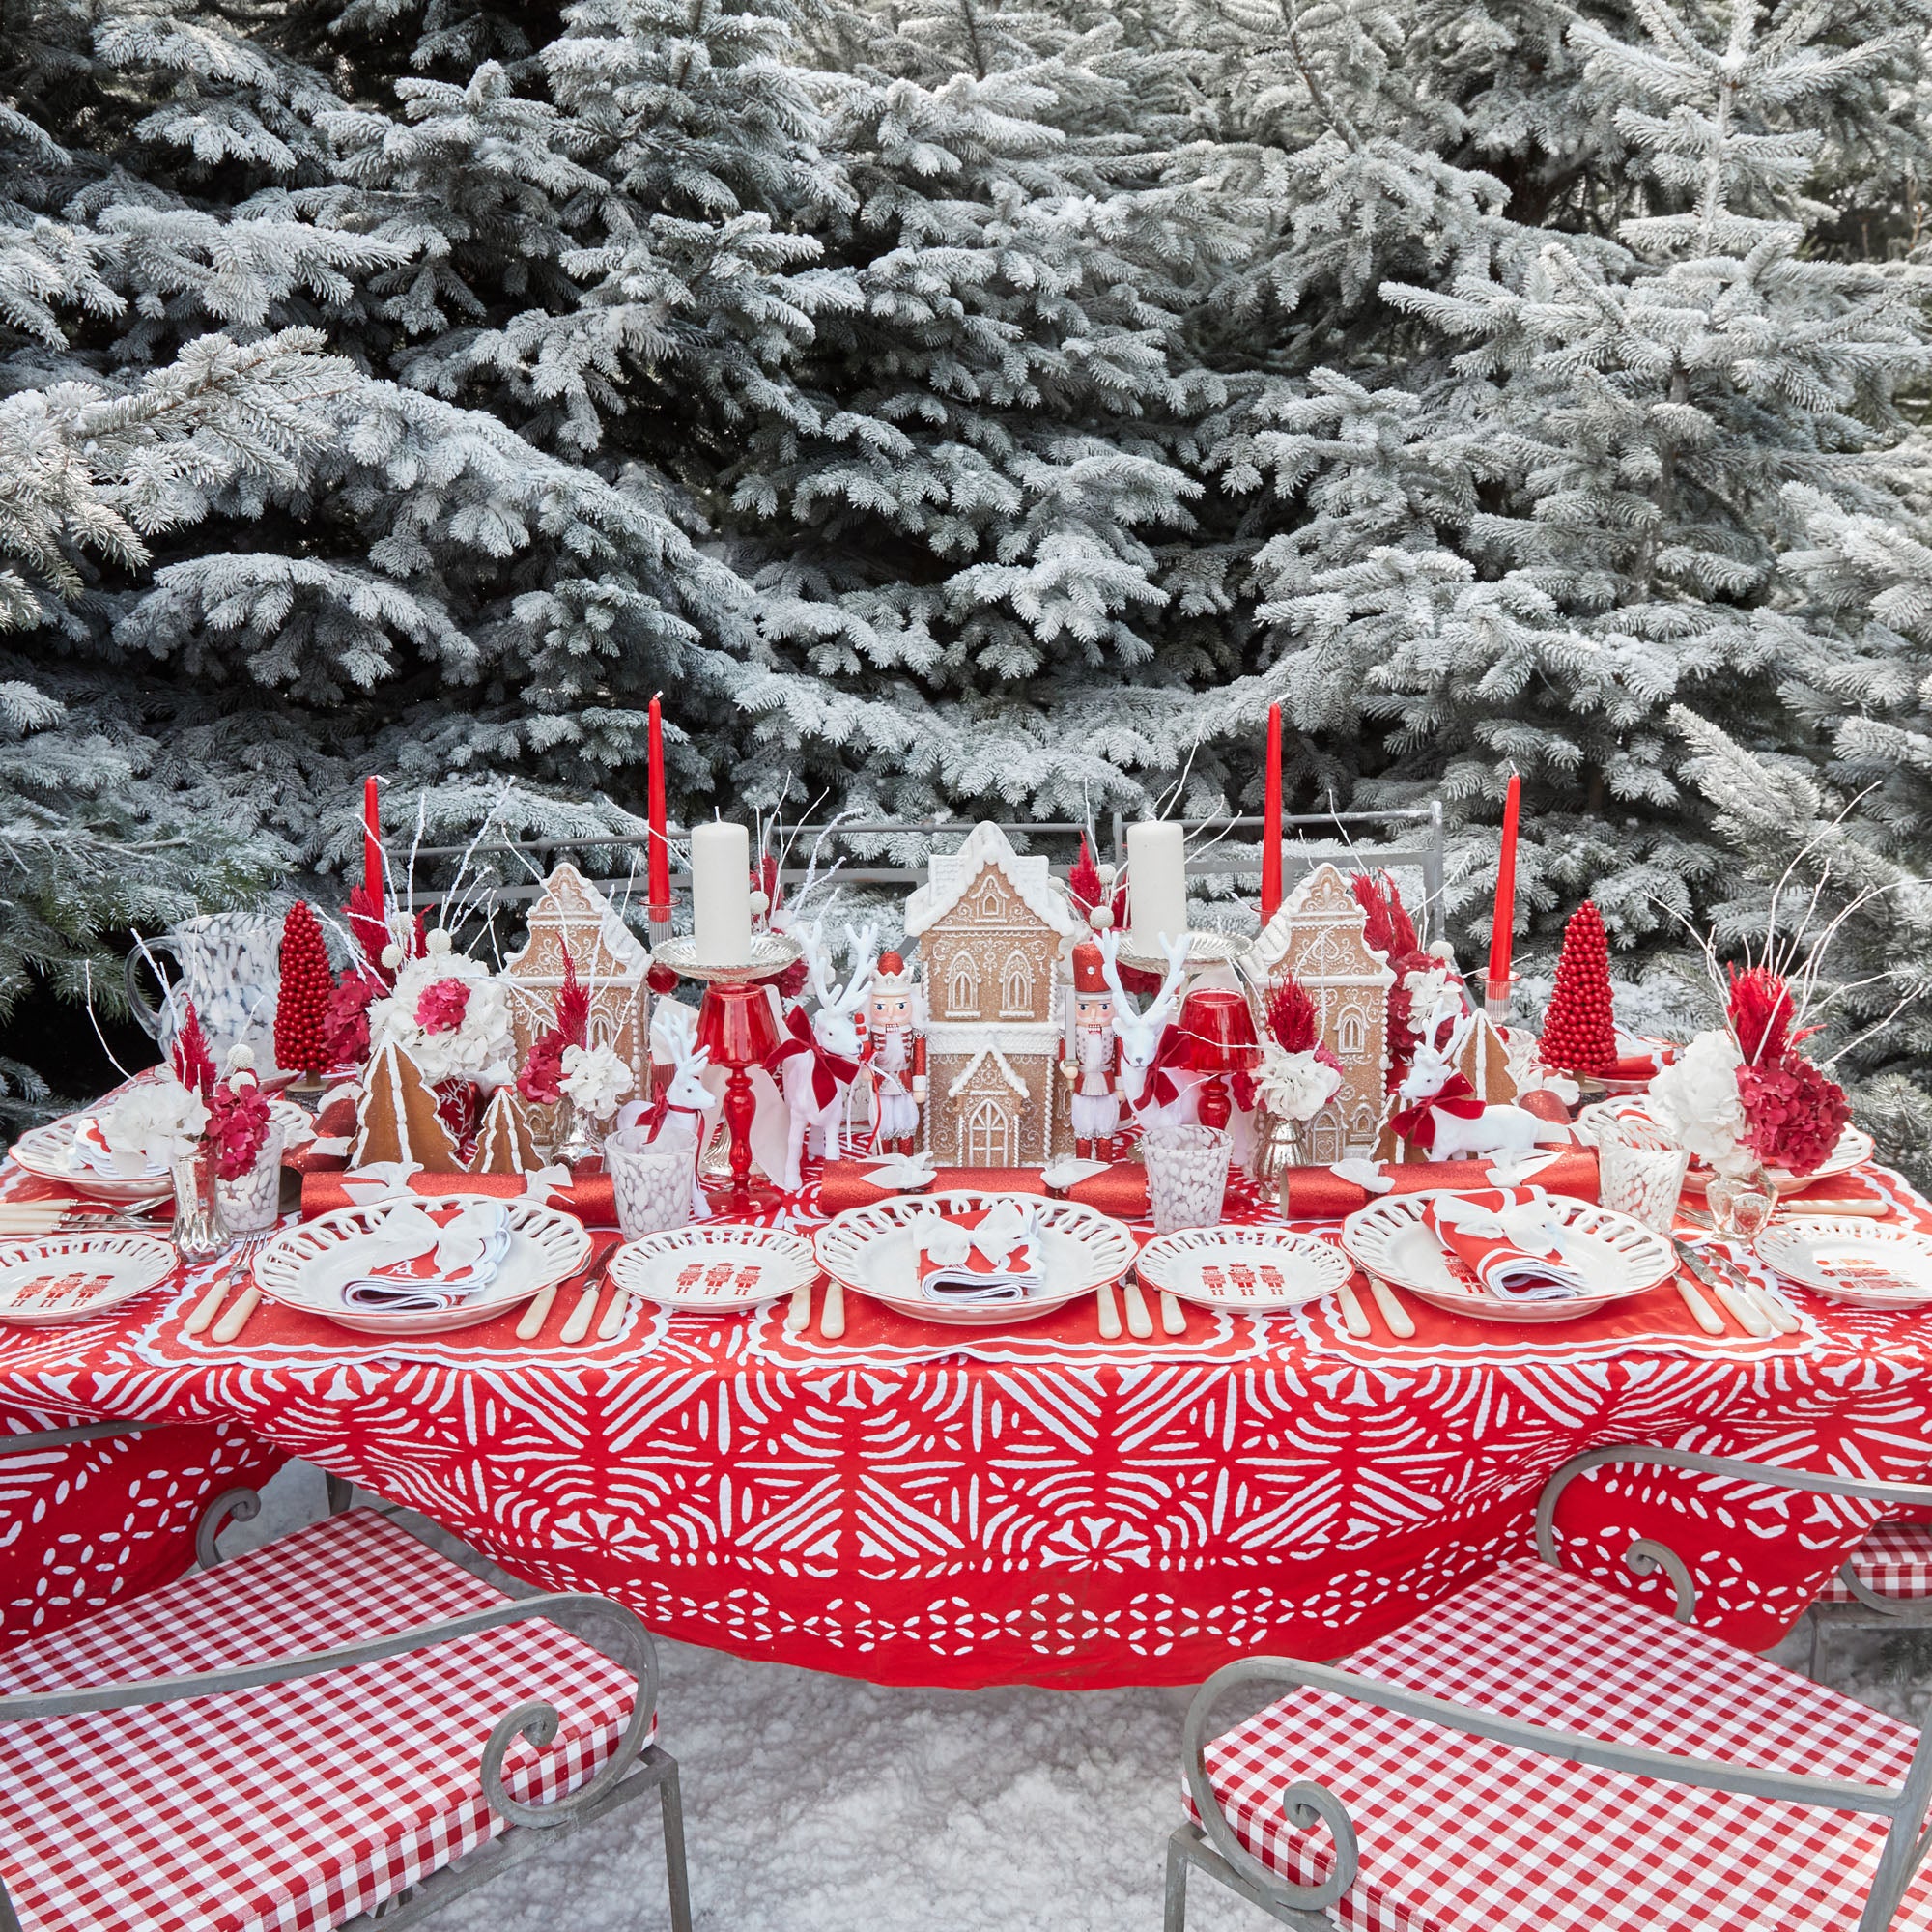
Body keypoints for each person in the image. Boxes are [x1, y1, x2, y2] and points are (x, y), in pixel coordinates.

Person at [1062, 939, 1121, 1160]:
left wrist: (1121, 1085)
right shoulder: (1071, 1032)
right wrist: (1066, 1066)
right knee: (1083, 1125)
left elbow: (1121, 1061)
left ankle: (1105, 1165)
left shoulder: (1114, 1033)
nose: (1093, 1016)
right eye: (1084, 1008)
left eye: (1103, 1008)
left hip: (1106, 1083)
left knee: (1105, 1126)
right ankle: (1083, 1162)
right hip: (1082, 1082)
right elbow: (1064, 1053)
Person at [867, 952, 926, 1154]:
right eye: (881, 1007)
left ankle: (906, 1159)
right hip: (881, 1082)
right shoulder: (872, 1032)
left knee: (904, 1119)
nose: (890, 1013)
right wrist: (865, 1068)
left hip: (904, 1081)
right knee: (883, 1122)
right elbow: (866, 1053)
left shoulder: (914, 1032)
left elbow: (919, 1059)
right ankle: (884, 1158)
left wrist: (920, 1085)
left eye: (900, 1006)